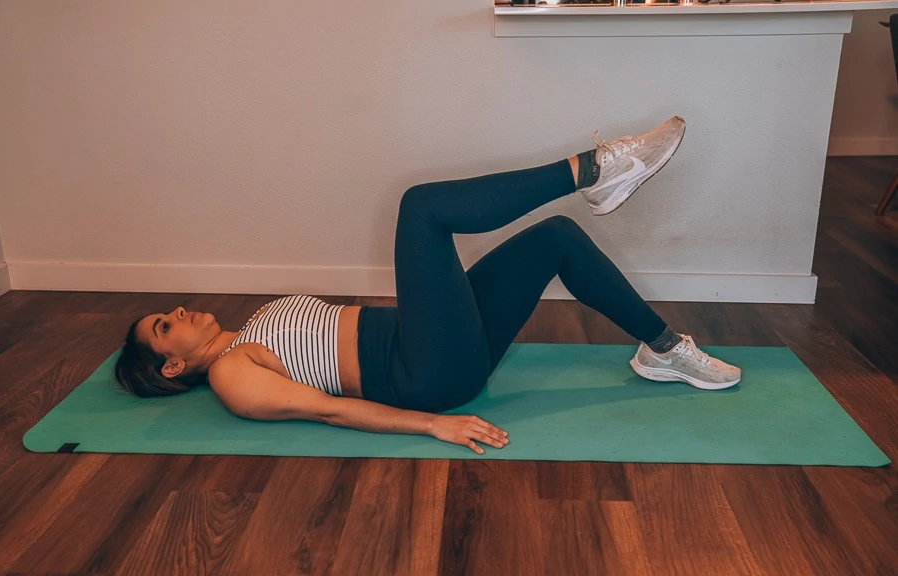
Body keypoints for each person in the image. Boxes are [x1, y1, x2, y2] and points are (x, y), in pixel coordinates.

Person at [114, 115, 740, 455]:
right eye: (164, 327)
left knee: (555, 238)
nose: (177, 312)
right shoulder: (230, 377)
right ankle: (594, 168)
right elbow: (332, 411)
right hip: (426, 373)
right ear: (171, 368)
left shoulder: (246, 332)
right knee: (421, 209)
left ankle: (664, 351)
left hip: (437, 342)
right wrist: (430, 425)